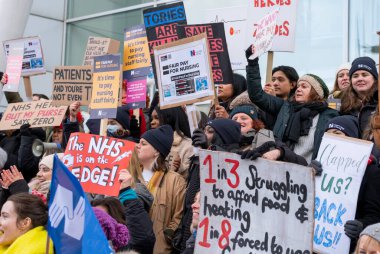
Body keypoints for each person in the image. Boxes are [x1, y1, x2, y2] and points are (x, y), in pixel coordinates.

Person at [245, 46, 339, 163]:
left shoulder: (329, 115)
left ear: (316, 93)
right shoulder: (286, 107)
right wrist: (252, 62)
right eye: (298, 86)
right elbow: (256, 95)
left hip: (311, 172)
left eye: (304, 87)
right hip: (281, 166)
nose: (299, 89)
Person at [322, 115, 380, 251]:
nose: (332, 138)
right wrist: (312, 173)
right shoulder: (320, 167)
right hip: (321, 243)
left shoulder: (371, 171)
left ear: (352, 138)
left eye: (337, 133)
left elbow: (375, 216)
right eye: (328, 134)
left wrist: (362, 225)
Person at [136, 125, 186, 253]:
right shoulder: (130, 177)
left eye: (143, 143)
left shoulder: (175, 181)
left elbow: (178, 218)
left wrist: (166, 238)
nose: (138, 146)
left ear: (156, 151)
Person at [150, 106, 193, 178]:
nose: (152, 122)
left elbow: (190, 178)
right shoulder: (148, 143)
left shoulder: (188, 145)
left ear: (170, 119)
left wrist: (180, 168)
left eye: (157, 118)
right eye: (152, 118)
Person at [340, 57, 378, 136]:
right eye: (355, 76)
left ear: (374, 79)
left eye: (365, 75)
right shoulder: (342, 104)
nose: (360, 79)